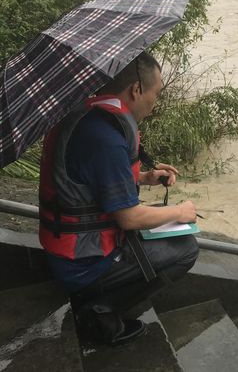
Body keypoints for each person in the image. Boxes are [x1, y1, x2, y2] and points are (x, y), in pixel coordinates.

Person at [38, 51, 199, 345]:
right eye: (156, 93)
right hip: (83, 265)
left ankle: (98, 300)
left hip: (67, 247)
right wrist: (180, 211)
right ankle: (98, 311)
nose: (155, 102)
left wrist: (144, 178)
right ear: (137, 90)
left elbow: (89, 180)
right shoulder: (106, 139)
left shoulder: (87, 116)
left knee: (157, 225)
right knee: (186, 248)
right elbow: (128, 217)